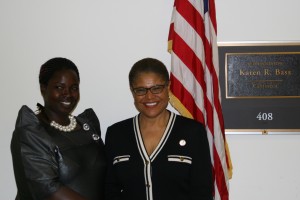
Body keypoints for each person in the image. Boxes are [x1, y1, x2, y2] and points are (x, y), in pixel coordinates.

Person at [105, 57, 213, 200]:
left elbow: (202, 193)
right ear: (132, 91)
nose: (149, 96)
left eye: (156, 88)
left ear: (168, 87)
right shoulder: (116, 134)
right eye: (141, 90)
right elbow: (110, 191)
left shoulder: (193, 132)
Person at [11, 57, 106, 200]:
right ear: (43, 88)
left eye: (74, 88)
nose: (67, 94)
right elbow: (47, 188)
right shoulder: (32, 131)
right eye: (59, 87)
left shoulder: (88, 126)